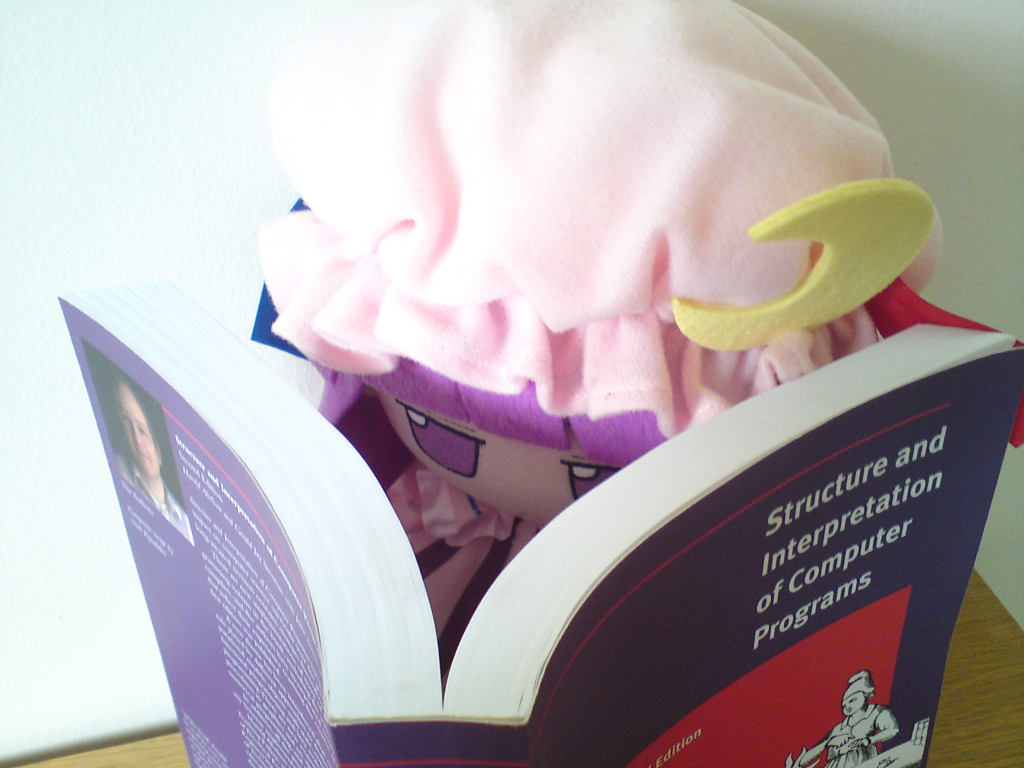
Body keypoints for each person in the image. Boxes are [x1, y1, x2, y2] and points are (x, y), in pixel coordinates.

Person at [113, 377, 194, 546]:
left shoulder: (186, 526)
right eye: (127, 422)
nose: (137, 440)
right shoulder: (116, 469)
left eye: (142, 430)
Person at [786, 670, 899, 768]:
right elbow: (804, 760)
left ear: (865, 695)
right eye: (844, 705)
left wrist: (869, 740)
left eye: (852, 700)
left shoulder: (876, 711)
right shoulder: (839, 728)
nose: (848, 706)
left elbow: (893, 729)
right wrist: (829, 743)